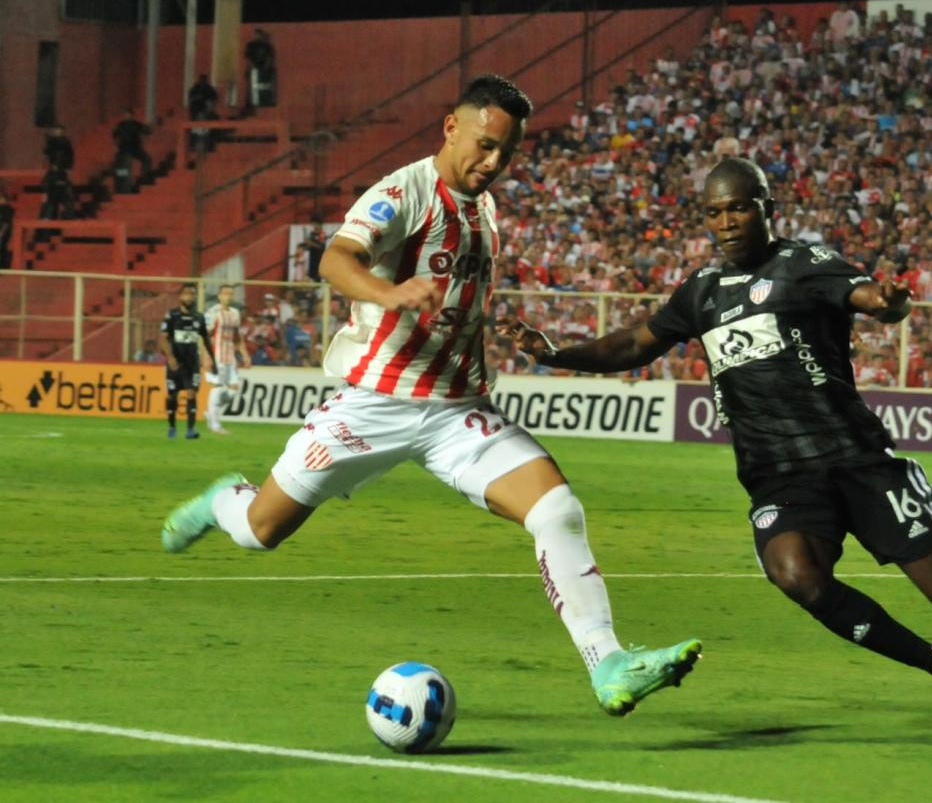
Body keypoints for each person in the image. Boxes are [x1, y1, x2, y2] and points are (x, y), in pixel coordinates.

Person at [160, 74, 701, 716]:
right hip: (374, 405)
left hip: (457, 410)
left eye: (507, 152)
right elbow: (336, 259)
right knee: (260, 531)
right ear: (451, 127)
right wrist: (388, 294)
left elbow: (457, 298)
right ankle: (226, 498)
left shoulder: (484, 206)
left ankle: (609, 664)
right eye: (484, 144)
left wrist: (514, 335)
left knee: (556, 509)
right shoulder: (404, 191)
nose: (494, 162)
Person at [504, 157, 932, 705]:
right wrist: (557, 354)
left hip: (856, 457)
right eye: (714, 212)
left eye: (738, 208)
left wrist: (888, 304)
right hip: (778, 475)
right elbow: (634, 344)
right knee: (797, 576)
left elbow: (867, 295)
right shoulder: (701, 292)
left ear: (767, 210)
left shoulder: (804, 264)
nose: (726, 222)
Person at [161, 282, 216, 439]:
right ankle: (172, 427)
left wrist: (213, 360)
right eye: (187, 293)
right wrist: (170, 357)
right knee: (172, 395)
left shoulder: (199, 317)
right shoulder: (172, 315)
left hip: (192, 363)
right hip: (175, 363)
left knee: (192, 393)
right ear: (180, 296)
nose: (190, 297)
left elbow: (206, 339)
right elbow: (163, 339)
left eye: (192, 294)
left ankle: (190, 430)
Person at [204, 284, 251, 433]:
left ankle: (211, 413)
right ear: (219, 296)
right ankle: (215, 425)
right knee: (218, 387)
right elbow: (205, 336)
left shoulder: (235, 313)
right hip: (216, 355)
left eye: (231, 294)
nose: (228, 296)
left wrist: (245, 354)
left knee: (233, 390)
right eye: (225, 294)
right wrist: (206, 357)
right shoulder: (212, 312)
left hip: (230, 356)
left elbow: (237, 337)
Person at [113, 110, 152, 191]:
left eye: (128, 115)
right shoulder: (121, 125)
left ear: (132, 115)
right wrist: (116, 144)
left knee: (147, 159)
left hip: (135, 148)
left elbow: (147, 131)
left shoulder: (136, 124)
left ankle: (143, 177)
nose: (127, 116)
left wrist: (147, 130)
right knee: (123, 167)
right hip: (124, 150)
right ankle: (123, 184)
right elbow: (115, 135)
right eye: (126, 115)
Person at [244, 29, 277, 111]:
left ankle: (261, 103)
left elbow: (270, 58)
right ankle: (251, 105)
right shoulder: (251, 45)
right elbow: (248, 58)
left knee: (264, 87)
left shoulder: (267, 46)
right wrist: (252, 67)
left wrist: (265, 68)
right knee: (252, 88)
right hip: (254, 70)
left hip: (264, 71)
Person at [0, 189, 13, 270]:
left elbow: (6, 222)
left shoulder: (7, 209)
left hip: (3, 233)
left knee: (2, 248)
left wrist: (1, 232)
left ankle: (3, 267)